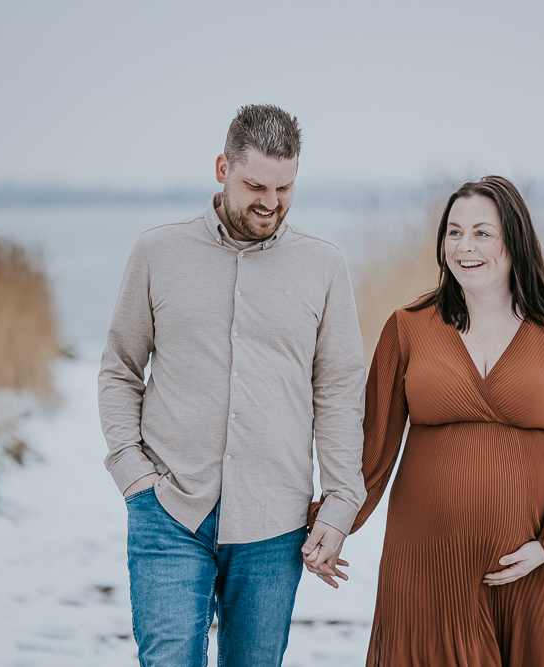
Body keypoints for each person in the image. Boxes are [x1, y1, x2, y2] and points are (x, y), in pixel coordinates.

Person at [98, 104, 367, 667]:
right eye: (255, 185)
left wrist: (342, 501)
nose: (270, 202)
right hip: (169, 509)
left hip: (275, 523)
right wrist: (131, 470)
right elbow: (120, 367)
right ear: (222, 167)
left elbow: (339, 392)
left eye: (285, 187)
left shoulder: (324, 266)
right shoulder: (156, 252)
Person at [313, 175, 544, 666]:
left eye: (481, 233)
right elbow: (374, 445)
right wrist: (334, 522)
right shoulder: (408, 326)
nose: (464, 246)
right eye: (453, 232)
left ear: (514, 240)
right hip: (426, 563)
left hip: (522, 568)